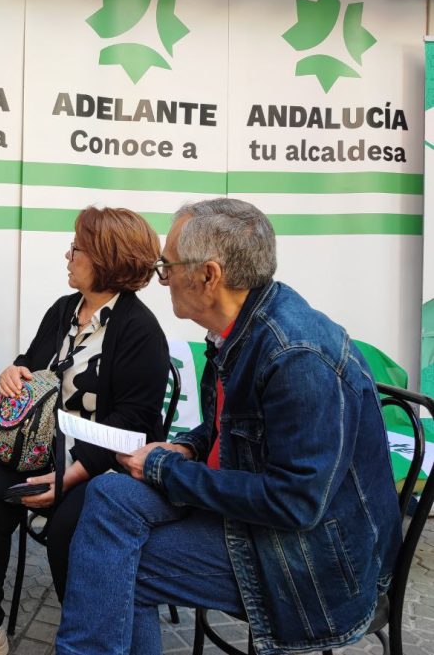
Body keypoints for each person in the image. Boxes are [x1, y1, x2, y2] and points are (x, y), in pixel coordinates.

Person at [55, 198, 403, 655]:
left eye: (168, 267)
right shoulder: (241, 327)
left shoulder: (296, 356)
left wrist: (164, 468)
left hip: (315, 565)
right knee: (106, 496)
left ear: (209, 275)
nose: (162, 279)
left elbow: (295, 503)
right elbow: (235, 429)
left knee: (117, 563)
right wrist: (189, 448)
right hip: (261, 518)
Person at [0, 207, 169, 655]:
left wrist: (70, 478)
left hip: (107, 465)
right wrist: (13, 372)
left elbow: (133, 427)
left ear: (105, 257)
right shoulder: (64, 311)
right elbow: (33, 364)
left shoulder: (140, 331)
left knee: (68, 527)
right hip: (45, 452)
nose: (68, 254)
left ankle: (87, 638)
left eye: (77, 247)